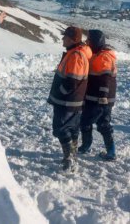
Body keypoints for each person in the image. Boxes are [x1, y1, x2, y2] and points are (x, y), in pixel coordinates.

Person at [47, 26, 92, 171]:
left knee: (61, 129)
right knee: (72, 130)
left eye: (65, 37)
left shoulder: (76, 55)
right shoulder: (75, 53)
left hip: (67, 101)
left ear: (73, 39)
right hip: (72, 101)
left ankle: (69, 159)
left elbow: (72, 81)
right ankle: (72, 157)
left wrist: (60, 92)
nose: (62, 39)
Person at [78, 29, 118, 161]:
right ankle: (111, 151)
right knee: (103, 124)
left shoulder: (103, 56)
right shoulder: (99, 54)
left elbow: (105, 76)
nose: (87, 42)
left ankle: (86, 145)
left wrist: (102, 95)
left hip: (98, 99)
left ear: (96, 41)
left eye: (89, 40)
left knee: (86, 122)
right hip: (102, 99)